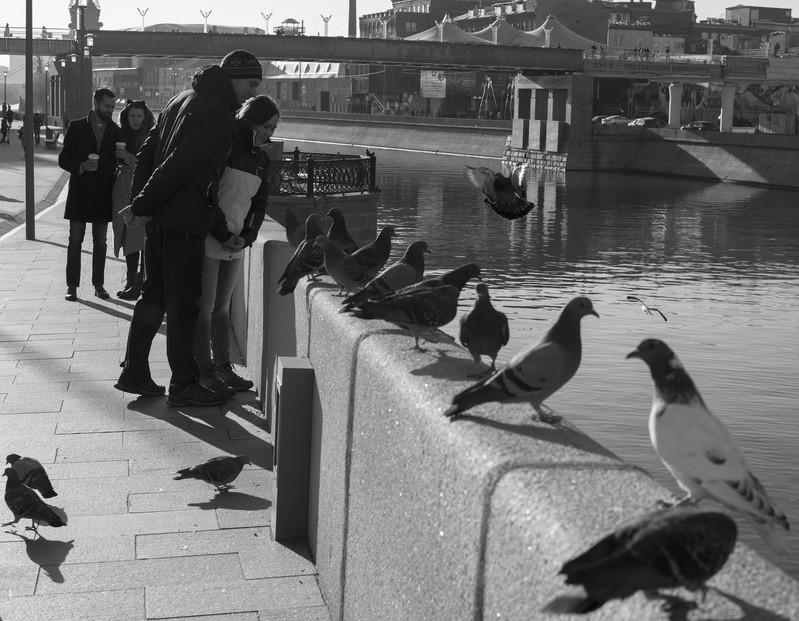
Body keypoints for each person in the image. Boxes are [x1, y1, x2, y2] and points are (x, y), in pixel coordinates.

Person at [115, 49, 262, 407]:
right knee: (184, 303)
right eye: (251, 83)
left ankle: (135, 371)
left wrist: (144, 204)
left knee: (155, 293)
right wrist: (142, 205)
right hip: (185, 217)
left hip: (163, 218)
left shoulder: (181, 98)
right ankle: (183, 384)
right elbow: (182, 164)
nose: (252, 93)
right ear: (233, 78)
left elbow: (149, 153)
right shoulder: (217, 113)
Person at [195, 95, 276, 396]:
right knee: (205, 307)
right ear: (252, 120)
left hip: (237, 242)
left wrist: (249, 235)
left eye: (274, 127)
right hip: (211, 237)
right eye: (268, 126)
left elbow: (259, 203)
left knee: (222, 309)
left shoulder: (261, 159)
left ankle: (224, 368)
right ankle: (205, 371)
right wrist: (221, 233)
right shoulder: (225, 145)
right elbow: (209, 193)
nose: (271, 133)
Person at [58, 88, 122, 301]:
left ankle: (99, 284)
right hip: (80, 193)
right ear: (95, 103)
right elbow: (64, 158)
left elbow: (119, 162)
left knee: (101, 242)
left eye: (112, 107)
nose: (110, 110)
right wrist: (82, 165)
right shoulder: (76, 127)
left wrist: (122, 158)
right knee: (75, 240)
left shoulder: (116, 130)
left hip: (103, 195)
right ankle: (72, 286)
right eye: (106, 106)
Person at [111, 100, 155, 300]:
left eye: (139, 116)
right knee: (126, 234)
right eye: (132, 116)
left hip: (142, 187)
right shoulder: (121, 135)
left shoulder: (151, 136)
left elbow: (149, 164)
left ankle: (143, 282)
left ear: (145, 117)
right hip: (122, 187)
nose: (135, 120)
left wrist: (127, 156)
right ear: (126, 117)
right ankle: (131, 281)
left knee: (141, 237)